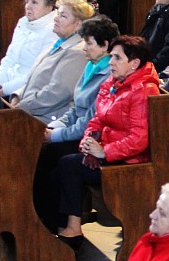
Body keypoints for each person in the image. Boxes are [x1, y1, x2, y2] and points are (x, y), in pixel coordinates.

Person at [41, 35, 161, 248]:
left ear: (134, 63)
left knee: (68, 166)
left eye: (117, 58)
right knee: (54, 165)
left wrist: (104, 152)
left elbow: (138, 139)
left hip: (130, 160)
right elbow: (97, 118)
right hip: (104, 147)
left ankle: (72, 229)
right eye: (111, 56)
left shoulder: (143, 90)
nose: (111, 62)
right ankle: (58, 227)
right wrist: (89, 139)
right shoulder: (113, 82)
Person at [11, 0, 94, 122]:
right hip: (27, 111)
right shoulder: (58, 42)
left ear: (78, 24)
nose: (56, 18)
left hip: (44, 120)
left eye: (63, 16)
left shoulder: (77, 52)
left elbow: (56, 93)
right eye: (58, 13)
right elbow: (35, 78)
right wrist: (17, 95)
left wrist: (22, 106)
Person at [0, 0, 58, 97]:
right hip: (6, 83)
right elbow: (9, 58)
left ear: (49, 6)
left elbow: (37, 73)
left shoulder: (53, 30)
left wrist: (5, 90)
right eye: (27, 1)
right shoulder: (22, 22)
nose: (28, 6)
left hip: (27, 91)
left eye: (34, 2)